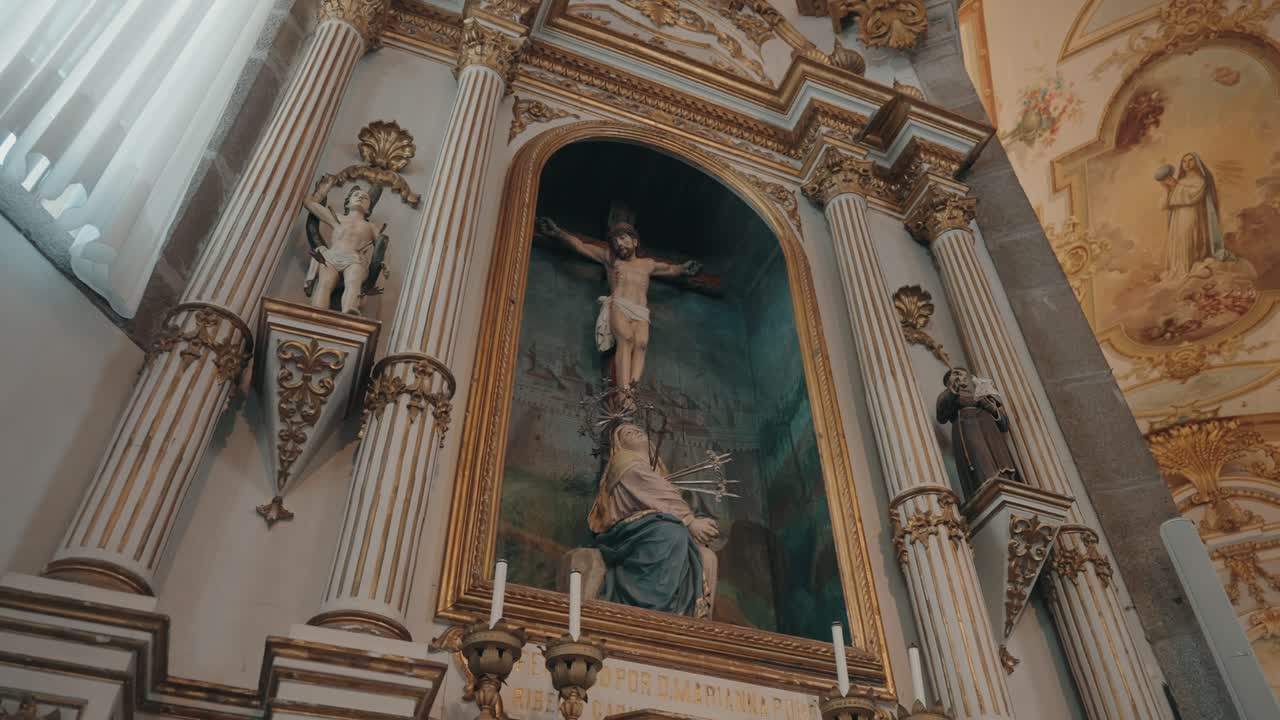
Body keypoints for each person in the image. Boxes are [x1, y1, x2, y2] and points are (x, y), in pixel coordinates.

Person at [535, 209, 699, 392]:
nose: (618, 243)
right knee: (626, 340)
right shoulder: (611, 260)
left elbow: (670, 269)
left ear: (635, 241)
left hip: (641, 311)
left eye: (622, 238)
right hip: (620, 305)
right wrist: (558, 233)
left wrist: (683, 268)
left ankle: (632, 392)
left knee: (641, 345)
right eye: (615, 241)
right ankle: (623, 390)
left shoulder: (647, 264)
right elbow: (581, 246)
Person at [586, 423, 718, 617]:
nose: (636, 432)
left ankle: (680, 609)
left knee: (697, 549)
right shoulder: (624, 462)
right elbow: (659, 494)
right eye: (628, 433)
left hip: (651, 525)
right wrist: (690, 521)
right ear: (619, 444)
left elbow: (662, 496)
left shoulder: (654, 470)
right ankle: (652, 605)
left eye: (639, 430)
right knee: (670, 531)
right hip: (629, 529)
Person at [935, 367, 1020, 500]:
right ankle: (987, 485)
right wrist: (952, 392)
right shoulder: (947, 395)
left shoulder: (981, 394)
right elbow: (941, 417)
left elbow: (1004, 425)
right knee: (980, 459)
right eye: (957, 374)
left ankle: (1009, 482)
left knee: (1002, 462)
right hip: (969, 431)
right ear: (948, 381)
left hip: (992, 435)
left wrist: (993, 409)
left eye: (964, 375)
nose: (962, 377)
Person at [304, 177, 383, 315]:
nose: (360, 197)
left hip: (354, 259)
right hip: (331, 257)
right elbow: (310, 204)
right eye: (356, 195)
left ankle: (349, 311)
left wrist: (386, 263)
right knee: (324, 283)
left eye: (365, 198)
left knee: (353, 282)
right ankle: (317, 313)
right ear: (347, 202)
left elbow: (382, 245)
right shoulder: (337, 218)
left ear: (369, 209)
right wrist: (322, 191)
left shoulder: (370, 226)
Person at [1158, 152, 1227, 279]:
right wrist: (1167, 189)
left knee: (1187, 239)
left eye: (1190, 160)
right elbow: (1164, 204)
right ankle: (1177, 269)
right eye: (1184, 161)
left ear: (1197, 162)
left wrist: (1175, 186)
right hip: (1177, 217)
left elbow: (1191, 198)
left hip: (1190, 214)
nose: (1187, 164)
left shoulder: (1200, 181)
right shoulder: (1180, 181)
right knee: (1177, 241)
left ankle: (1187, 269)